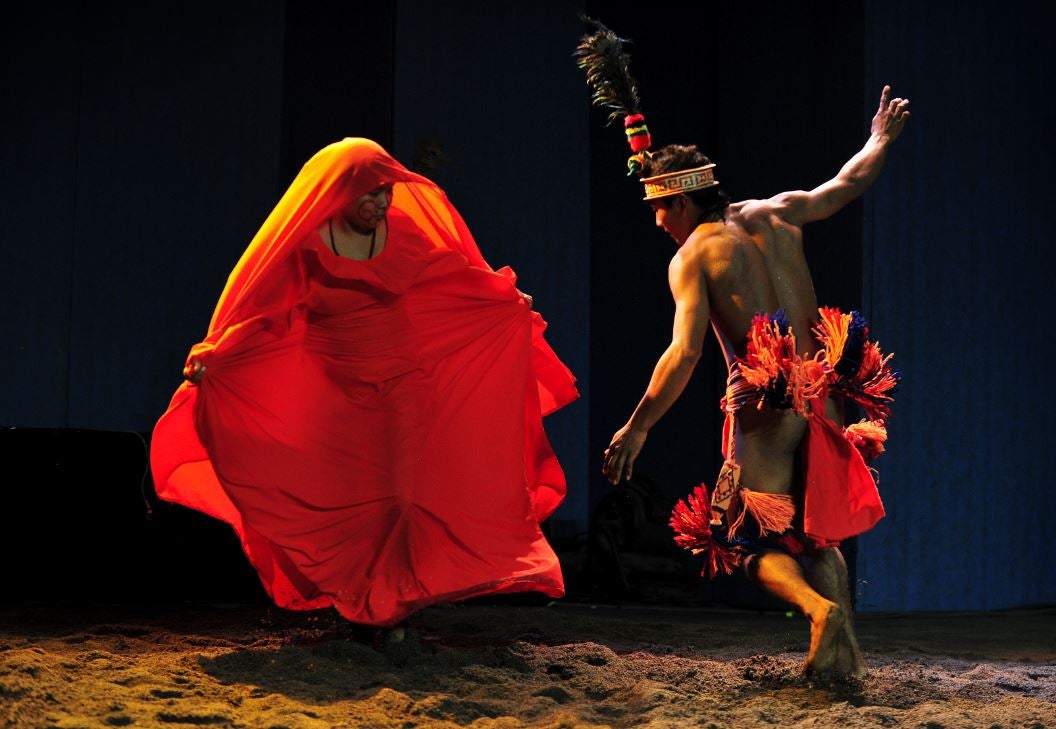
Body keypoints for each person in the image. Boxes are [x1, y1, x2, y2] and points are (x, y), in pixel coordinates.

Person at [151, 138, 578, 634]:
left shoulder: (403, 234)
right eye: (369, 194)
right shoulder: (307, 248)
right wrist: (217, 356)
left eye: (386, 193)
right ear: (339, 192)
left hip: (404, 392)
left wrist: (503, 298)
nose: (380, 203)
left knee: (399, 499)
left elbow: (451, 276)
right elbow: (266, 315)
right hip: (338, 401)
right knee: (352, 505)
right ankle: (360, 604)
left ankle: (388, 612)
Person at [600, 86, 909, 677]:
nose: (659, 223)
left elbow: (684, 353)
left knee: (738, 537)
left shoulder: (693, 256)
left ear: (683, 203)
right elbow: (844, 185)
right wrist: (878, 139)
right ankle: (845, 660)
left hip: (766, 411)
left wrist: (637, 427)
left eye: (659, 210)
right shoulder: (779, 211)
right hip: (822, 392)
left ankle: (819, 612)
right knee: (817, 536)